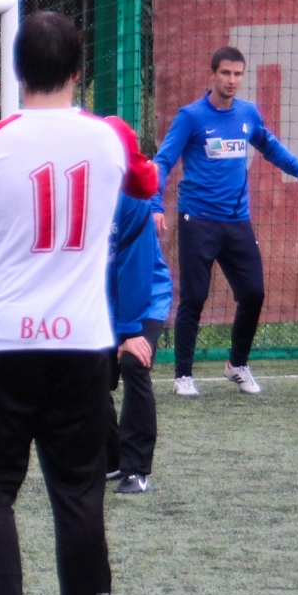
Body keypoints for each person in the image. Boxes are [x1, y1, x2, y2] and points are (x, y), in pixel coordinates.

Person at [0, 11, 158, 595]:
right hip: (82, 346)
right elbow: (146, 181)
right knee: (81, 492)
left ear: (15, 71)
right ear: (79, 71)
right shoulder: (111, 136)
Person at [154, 45, 298, 396]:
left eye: (237, 74)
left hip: (237, 222)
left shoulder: (247, 113)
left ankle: (237, 365)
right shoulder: (191, 117)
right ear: (212, 74)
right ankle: (183, 375)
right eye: (226, 73)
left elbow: (269, 146)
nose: (232, 80)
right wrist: (155, 204)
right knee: (195, 297)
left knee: (254, 293)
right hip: (197, 219)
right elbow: (164, 161)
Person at [106, 192, 172, 495]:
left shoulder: (131, 196)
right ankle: (110, 459)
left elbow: (136, 267)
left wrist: (130, 331)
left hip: (145, 298)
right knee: (84, 371)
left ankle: (136, 469)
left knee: (134, 362)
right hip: (98, 303)